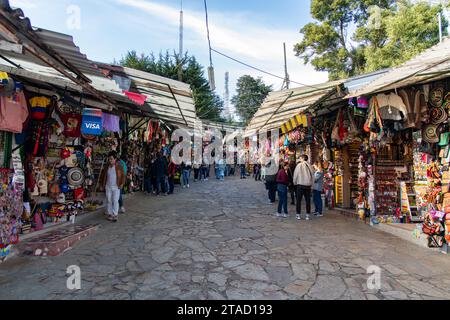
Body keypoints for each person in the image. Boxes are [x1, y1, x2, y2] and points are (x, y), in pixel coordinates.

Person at [100, 151, 125, 222]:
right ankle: (110, 214)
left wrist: (122, 184)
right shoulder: (106, 167)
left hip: (116, 186)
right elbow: (103, 176)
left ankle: (115, 214)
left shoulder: (119, 167)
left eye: (111, 159)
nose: (110, 160)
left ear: (115, 159)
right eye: (109, 159)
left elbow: (123, 176)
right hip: (108, 186)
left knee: (115, 200)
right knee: (109, 200)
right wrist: (102, 185)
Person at [293, 155, 314, 221]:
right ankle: (307, 215)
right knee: (308, 200)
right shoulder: (309, 165)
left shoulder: (299, 165)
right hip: (308, 185)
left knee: (299, 200)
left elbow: (295, 175)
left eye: (300, 158)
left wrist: (295, 182)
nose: (299, 159)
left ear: (302, 158)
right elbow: (312, 175)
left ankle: (298, 214)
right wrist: (312, 184)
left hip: (300, 185)